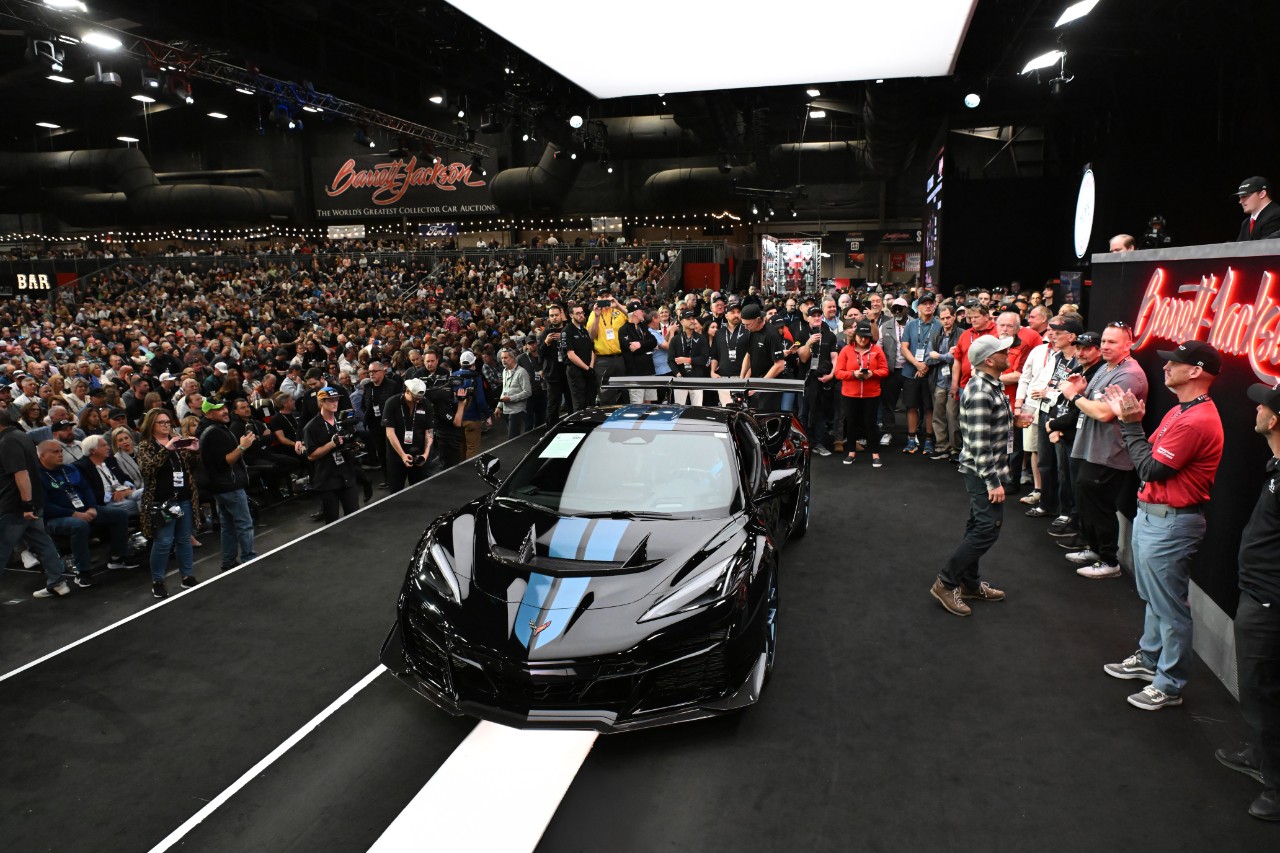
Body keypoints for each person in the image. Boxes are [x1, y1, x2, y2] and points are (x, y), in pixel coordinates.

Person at [1099, 341, 1224, 711]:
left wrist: (1130, 424)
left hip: (1171, 523)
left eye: (1175, 364)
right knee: (1155, 599)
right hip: (1154, 516)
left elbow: (1150, 467)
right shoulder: (1181, 411)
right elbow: (1148, 453)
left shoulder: (1197, 419)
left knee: (1170, 608)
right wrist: (1133, 427)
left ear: (1196, 371)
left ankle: (1169, 684)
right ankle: (1151, 658)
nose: (1166, 368)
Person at [1215, 382, 1280, 821]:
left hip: (1270, 604)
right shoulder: (1276, 466)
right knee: (1258, 691)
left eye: (1263, 405)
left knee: (1264, 692)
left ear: (1274, 419)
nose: (1255, 410)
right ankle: (1261, 755)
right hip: (1260, 595)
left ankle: (1276, 787)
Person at [929, 334, 1013, 617]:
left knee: (979, 524)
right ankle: (946, 582)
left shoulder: (990, 384)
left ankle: (969, 583)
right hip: (983, 472)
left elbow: (986, 431)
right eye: (1003, 350)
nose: (1008, 351)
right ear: (989, 360)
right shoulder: (980, 390)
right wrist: (993, 481)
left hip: (986, 469)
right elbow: (978, 443)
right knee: (987, 527)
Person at [1058, 322, 1149, 578]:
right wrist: (1080, 390)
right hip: (1090, 448)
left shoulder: (1129, 374)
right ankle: (1095, 549)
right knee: (1087, 501)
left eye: (1112, 342)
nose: (1106, 346)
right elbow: (1093, 397)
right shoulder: (1107, 368)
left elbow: (1104, 413)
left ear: (1127, 345)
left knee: (1101, 506)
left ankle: (1110, 561)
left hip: (1110, 453)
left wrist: (1074, 397)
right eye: (1105, 341)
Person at [38, 439, 138, 583]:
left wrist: (91, 507)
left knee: (120, 514)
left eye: (61, 451)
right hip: (57, 517)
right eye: (55, 452)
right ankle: (83, 571)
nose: (60, 454)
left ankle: (118, 557)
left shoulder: (70, 469)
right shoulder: (37, 476)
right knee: (79, 525)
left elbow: (86, 489)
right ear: (42, 456)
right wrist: (75, 514)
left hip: (84, 509)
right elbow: (45, 507)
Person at [0, 408, 74, 598]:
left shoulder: (7, 441)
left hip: (16, 506)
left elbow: (21, 473)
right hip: (31, 502)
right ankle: (57, 582)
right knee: (42, 542)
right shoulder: (21, 435)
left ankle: (57, 581)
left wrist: (26, 504)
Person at [136, 408, 200, 598]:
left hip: (183, 497)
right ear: (151, 425)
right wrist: (166, 450)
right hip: (162, 501)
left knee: (184, 539)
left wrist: (194, 452)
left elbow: (190, 467)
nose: (166, 426)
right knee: (163, 542)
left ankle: (187, 576)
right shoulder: (145, 446)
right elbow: (147, 470)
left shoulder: (177, 441)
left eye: (167, 422)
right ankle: (158, 581)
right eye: (161, 423)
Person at [198, 399, 258, 570]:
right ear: (209, 414)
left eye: (224, 408)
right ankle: (249, 558)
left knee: (228, 526)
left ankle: (229, 561)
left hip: (220, 486)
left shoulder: (210, 429)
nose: (224, 411)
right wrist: (242, 446)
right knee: (244, 523)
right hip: (229, 485)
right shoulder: (214, 432)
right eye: (218, 409)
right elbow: (226, 461)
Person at [834, 321, 889, 467]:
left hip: (871, 394)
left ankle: (875, 454)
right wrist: (853, 374)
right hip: (850, 393)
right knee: (851, 423)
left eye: (866, 337)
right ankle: (851, 452)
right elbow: (838, 373)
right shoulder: (846, 350)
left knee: (871, 424)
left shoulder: (877, 349)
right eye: (860, 336)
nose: (863, 339)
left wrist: (872, 373)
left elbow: (885, 370)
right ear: (855, 335)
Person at [304, 386, 362, 522]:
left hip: (347, 474)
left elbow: (351, 438)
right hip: (328, 478)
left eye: (336, 399)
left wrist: (354, 446)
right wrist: (331, 444)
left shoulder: (342, 419)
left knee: (355, 515)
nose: (335, 403)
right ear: (321, 402)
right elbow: (311, 455)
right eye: (330, 400)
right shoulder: (311, 427)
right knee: (332, 519)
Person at [899, 292, 939, 454]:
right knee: (911, 407)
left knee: (929, 408)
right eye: (925, 304)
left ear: (934, 306)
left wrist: (925, 366)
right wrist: (917, 364)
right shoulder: (911, 324)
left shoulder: (939, 325)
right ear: (919, 307)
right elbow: (904, 348)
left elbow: (940, 350)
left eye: (931, 303)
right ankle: (911, 439)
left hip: (931, 372)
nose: (928, 306)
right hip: (910, 372)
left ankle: (929, 440)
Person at [798, 305, 838, 456]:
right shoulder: (802, 334)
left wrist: (832, 374)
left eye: (818, 316)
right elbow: (802, 358)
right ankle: (806, 442)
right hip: (805, 380)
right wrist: (809, 343)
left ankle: (819, 443)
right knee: (803, 413)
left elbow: (835, 358)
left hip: (823, 379)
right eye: (813, 316)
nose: (816, 318)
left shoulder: (829, 335)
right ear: (807, 318)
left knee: (820, 413)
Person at [383, 378, 434, 494]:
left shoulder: (425, 403)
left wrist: (425, 455)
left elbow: (429, 431)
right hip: (396, 454)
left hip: (418, 453)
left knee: (419, 490)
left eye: (419, 399)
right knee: (396, 490)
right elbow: (390, 432)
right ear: (407, 391)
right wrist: (402, 455)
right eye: (415, 398)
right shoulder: (392, 403)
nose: (417, 401)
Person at [927, 302, 963, 461]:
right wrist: (946, 356)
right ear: (938, 319)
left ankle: (956, 449)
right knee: (938, 416)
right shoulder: (935, 334)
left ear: (954, 317)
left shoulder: (961, 334)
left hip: (955, 382)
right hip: (939, 381)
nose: (946, 321)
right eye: (942, 318)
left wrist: (940, 356)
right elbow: (928, 358)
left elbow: (958, 358)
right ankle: (942, 447)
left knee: (953, 416)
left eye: (948, 317)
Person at [75, 434, 142, 518]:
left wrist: (126, 489)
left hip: (126, 494)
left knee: (148, 493)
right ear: (92, 450)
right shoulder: (81, 467)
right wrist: (111, 495)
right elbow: (89, 492)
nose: (108, 448)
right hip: (108, 502)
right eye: (104, 445)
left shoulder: (110, 460)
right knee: (140, 503)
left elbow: (125, 477)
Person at [739, 304, 788, 412]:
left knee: (765, 418)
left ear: (758, 319)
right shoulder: (751, 331)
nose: (745, 327)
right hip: (755, 381)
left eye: (748, 324)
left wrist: (759, 386)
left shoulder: (771, 334)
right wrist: (741, 379)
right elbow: (748, 354)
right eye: (744, 324)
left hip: (770, 385)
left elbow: (779, 365)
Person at [586, 289, 627, 405]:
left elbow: (635, 318)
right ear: (597, 299)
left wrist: (618, 305)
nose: (604, 298)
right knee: (606, 395)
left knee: (625, 392)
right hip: (603, 360)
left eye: (607, 295)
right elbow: (591, 336)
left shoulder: (619, 309)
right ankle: (607, 420)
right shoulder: (594, 314)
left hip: (621, 358)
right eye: (601, 296)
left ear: (611, 296)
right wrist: (597, 316)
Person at [452, 351, 491, 459]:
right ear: (473, 363)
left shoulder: (453, 376)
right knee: (472, 450)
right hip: (472, 419)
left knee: (461, 449)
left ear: (460, 363)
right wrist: (487, 415)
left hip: (457, 419)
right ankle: (470, 475)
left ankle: (461, 473)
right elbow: (480, 400)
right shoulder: (476, 376)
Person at [667, 309, 710, 406]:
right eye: (688, 319)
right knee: (679, 407)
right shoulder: (675, 339)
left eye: (693, 318)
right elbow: (670, 360)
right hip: (680, 378)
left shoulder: (701, 338)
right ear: (682, 322)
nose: (692, 321)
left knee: (697, 407)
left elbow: (704, 358)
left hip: (697, 378)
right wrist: (677, 374)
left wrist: (687, 360)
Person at [618, 300, 658, 404]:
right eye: (641, 310)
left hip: (649, 370)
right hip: (635, 373)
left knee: (649, 402)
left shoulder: (643, 326)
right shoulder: (623, 330)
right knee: (637, 404)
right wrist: (646, 346)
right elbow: (631, 349)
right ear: (635, 312)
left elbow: (653, 341)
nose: (643, 313)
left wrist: (640, 344)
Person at [711, 299, 749, 407]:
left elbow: (752, 355)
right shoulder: (719, 333)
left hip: (742, 376)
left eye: (738, 312)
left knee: (741, 409)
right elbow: (714, 354)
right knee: (725, 408)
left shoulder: (747, 330)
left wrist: (747, 375)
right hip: (723, 377)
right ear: (726, 315)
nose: (736, 315)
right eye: (732, 312)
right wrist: (712, 371)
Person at [538, 304, 572, 422]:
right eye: (551, 316)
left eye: (556, 315)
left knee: (572, 404)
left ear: (561, 315)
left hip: (569, 373)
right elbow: (540, 354)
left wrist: (564, 338)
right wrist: (546, 342)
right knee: (552, 406)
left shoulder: (568, 329)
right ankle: (551, 432)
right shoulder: (545, 333)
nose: (554, 318)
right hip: (552, 375)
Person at [563, 303, 596, 413]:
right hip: (576, 371)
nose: (581, 315)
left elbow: (591, 350)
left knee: (590, 401)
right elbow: (571, 355)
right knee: (579, 404)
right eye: (578, 313)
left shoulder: (584, 330)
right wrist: (587, 368)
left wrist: (590, 368)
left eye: (582, 313)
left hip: (588, 370)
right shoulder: (567, 331)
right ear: (571, 315)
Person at [495, 348, 532, 437]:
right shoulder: (505, 371)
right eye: (502, 358)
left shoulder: (521, 372)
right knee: (513, 438)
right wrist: (499, 406)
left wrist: (511, 398)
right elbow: (504, 389)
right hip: (506, 410)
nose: (503, 360)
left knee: (512, 438)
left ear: (513, 358)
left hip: (517, 411)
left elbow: (528, 392)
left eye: (505, 358)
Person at [1236, 176, 1280, 241]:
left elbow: (1266, 248)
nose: (1240, 201)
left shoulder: (1276, 215)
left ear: (1262, 194)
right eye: (1240, 197)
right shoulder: (1246, 223)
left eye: (1244, 196)